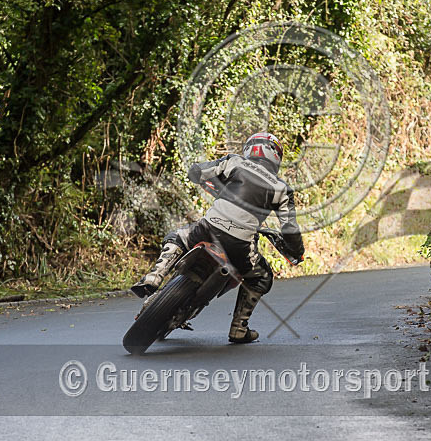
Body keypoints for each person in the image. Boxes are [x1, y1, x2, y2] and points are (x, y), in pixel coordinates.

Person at [130, 132, 305, 343]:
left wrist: (215, 185)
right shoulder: (282, 189)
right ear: (276, 155)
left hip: (207, 229)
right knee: (262, 277)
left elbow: (196, 171)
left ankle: (154, 277)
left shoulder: (234, 162)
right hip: (240, 247)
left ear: (250, 148)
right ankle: (239, 327)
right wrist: (297, 252)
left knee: (177, 237)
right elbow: (290, 229)